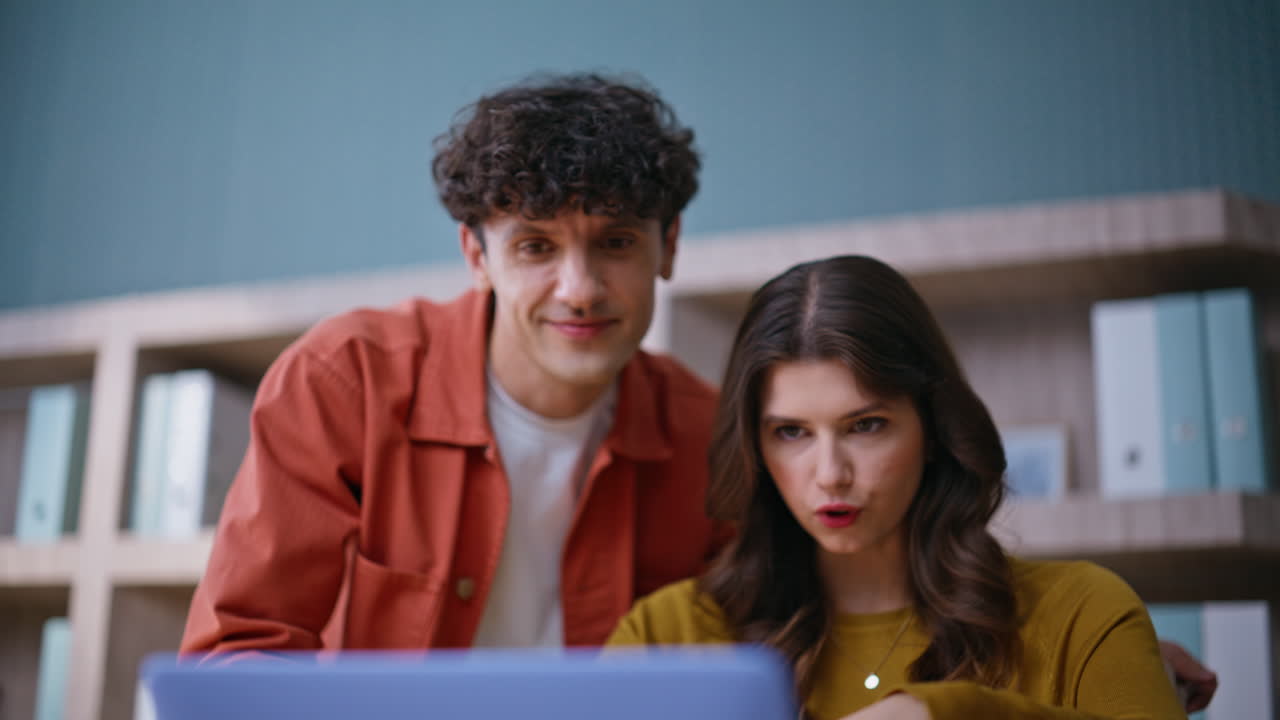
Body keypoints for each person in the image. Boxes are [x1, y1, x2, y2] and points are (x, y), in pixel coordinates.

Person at [178, 72, 1216, 712]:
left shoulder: (704, 430)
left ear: (669, 247)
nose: (577, 288)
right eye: (535, 246)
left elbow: (804, 597)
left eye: (615, 243)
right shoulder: (344, 381)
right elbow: (231, 669)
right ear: (474, 252)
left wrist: (1086, 654)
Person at [607, 255, 1194, 720]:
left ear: (934, 429)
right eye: (791, 432)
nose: (831, 473)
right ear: (754, 448)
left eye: (866, 426)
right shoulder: (668, 637)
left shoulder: (1082, 615)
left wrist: (948, 714)